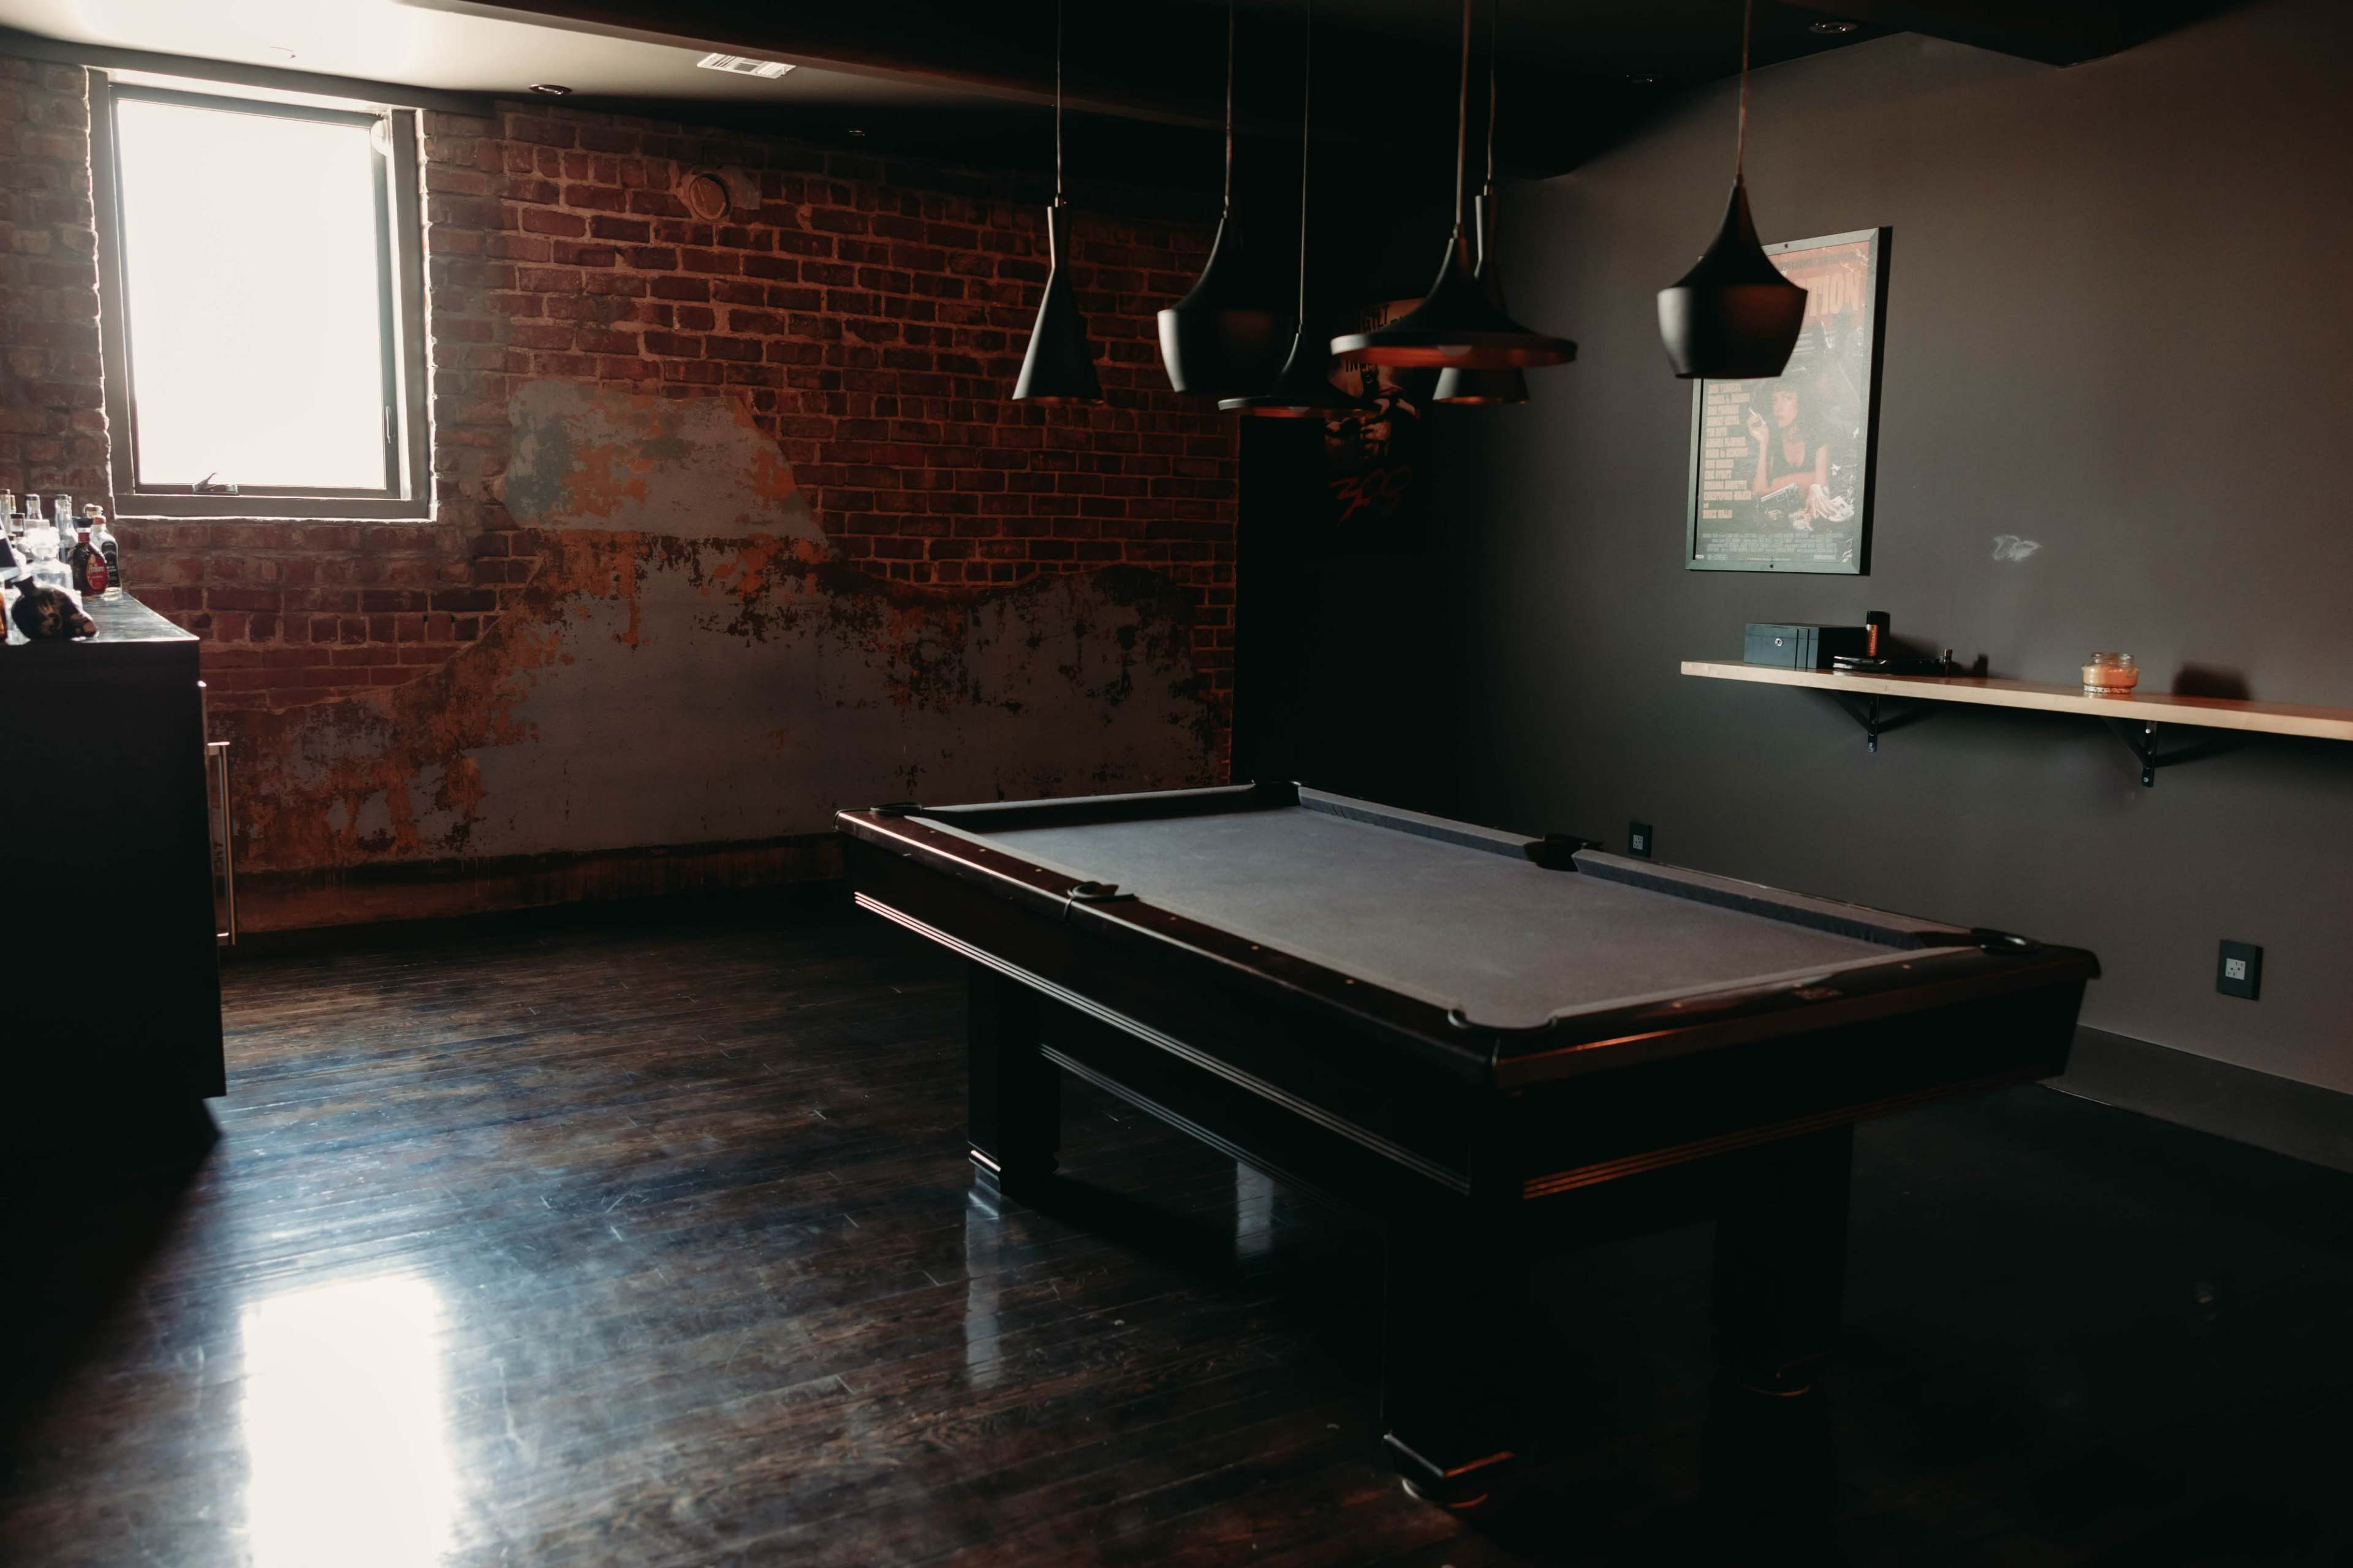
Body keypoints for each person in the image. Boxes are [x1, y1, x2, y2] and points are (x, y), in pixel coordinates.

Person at [1745, 382, 1833, 529]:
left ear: (1802, 402)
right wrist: (1764, 441)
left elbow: (1823, 485)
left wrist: (1779, 484)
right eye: (1774, 400)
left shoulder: (1819, 437)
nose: (1778, 408)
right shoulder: (1773, 441)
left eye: (1787, 398)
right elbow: (1759, 491)